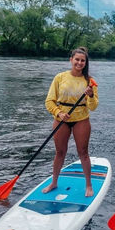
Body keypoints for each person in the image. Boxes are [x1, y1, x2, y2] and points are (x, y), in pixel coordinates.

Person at [43, 47, 99, 197]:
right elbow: (49, 101)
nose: (79, 63)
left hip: (81, 119)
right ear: (71, 60)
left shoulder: (89, 81)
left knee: (83, 153)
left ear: (85, 63)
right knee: (60, 152)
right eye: (77, 59)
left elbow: (93, 107)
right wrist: (58, 113)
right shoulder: (60, 77)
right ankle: (54, 182)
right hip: (62, 119)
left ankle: (88, 185)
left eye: (82, 60)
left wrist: (91, 95)